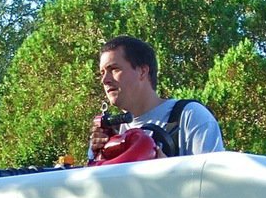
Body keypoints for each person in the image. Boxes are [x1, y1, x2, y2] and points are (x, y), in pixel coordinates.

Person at [89, 35, 225, 160]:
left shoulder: (190, 116)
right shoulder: (110, 134)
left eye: (114, 69)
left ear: (142, 71)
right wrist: (97, 157)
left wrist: (165, 171)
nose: (105, 80)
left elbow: (212, 182)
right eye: (102, 73)